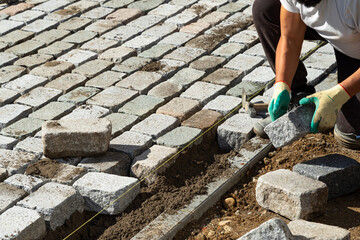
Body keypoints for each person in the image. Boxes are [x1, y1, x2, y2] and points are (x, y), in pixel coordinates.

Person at [252, 0, 360, 149]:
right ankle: (299, 98)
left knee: (350, 135)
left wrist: (340, 94)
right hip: (343, 29)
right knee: (266, 8)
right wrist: (282, 85)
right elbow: (289, 38)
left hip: (355, 48)